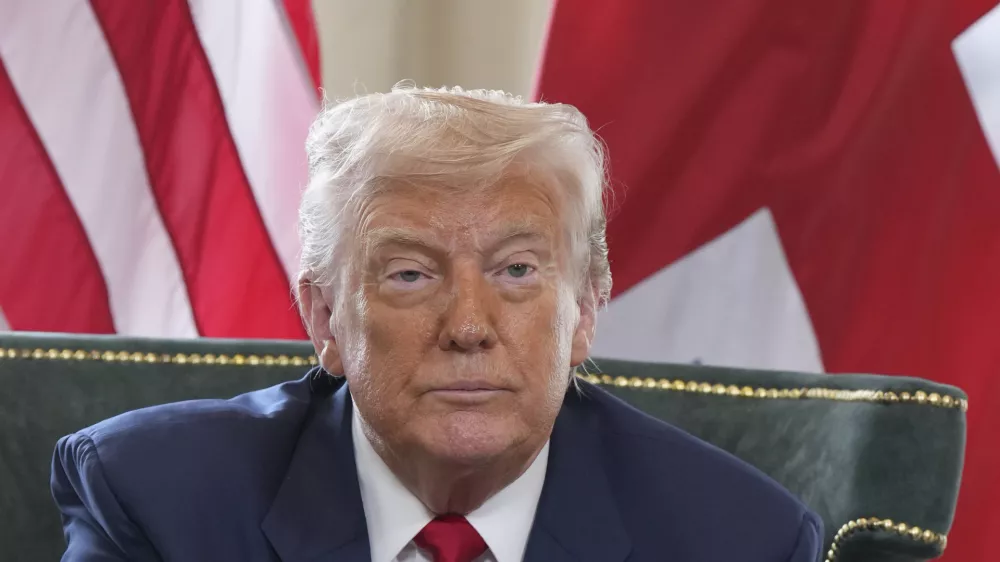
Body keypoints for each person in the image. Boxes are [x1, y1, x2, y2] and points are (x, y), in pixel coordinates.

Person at [51, 85, 822, 562]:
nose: (468, 326)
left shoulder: (738, 540)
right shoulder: (161, 502)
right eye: (411, 274)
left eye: (517, 271)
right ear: (325, 316)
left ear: (585, 311)